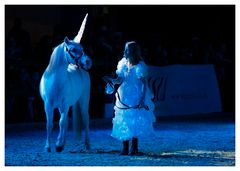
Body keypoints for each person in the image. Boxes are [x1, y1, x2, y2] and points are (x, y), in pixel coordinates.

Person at [106, 41, 156, 155]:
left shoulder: (140, 66)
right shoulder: (123, 63)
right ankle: (125, 147)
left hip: (136, 94)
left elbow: (144, 84)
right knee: (124, 119)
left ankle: (134, 148)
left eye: (127, 50)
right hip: (125, 94)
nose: (124, 52)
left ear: (132, 52)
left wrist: (142, 99)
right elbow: (120, 79)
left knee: (135, 120)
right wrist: (112, 80)